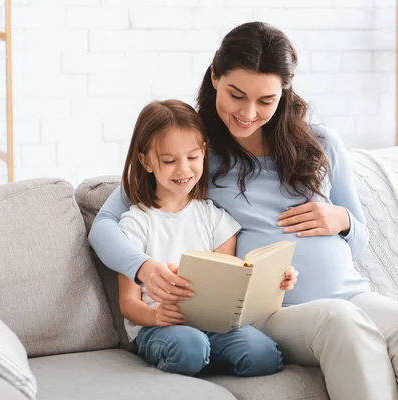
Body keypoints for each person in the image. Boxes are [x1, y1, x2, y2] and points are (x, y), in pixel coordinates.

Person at [90, 22, 398, 400]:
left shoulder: (322, 144)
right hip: (271, 313)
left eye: (266, 100)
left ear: (284, 92)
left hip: (350, 294)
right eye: (237, 95)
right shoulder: (193, 152)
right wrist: (143, 267)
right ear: (215, 76)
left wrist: (343, 221)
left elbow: (359, 240)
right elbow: (104, 225)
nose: (248, 113)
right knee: (340, 323)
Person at [115, 99, 294, 377]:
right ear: (146, 162)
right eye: (169, 161)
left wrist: (274, 281)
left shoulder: (215, 218)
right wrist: (156, 316)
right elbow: (128, 303)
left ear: (203, 154)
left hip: (213, 325)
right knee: (190, 346)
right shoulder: (135, 223)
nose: (183, 170)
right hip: (160, 328)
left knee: (264, 355)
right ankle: (198, 359)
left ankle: (205, 360)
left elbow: (229, 285)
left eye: (193, 157)